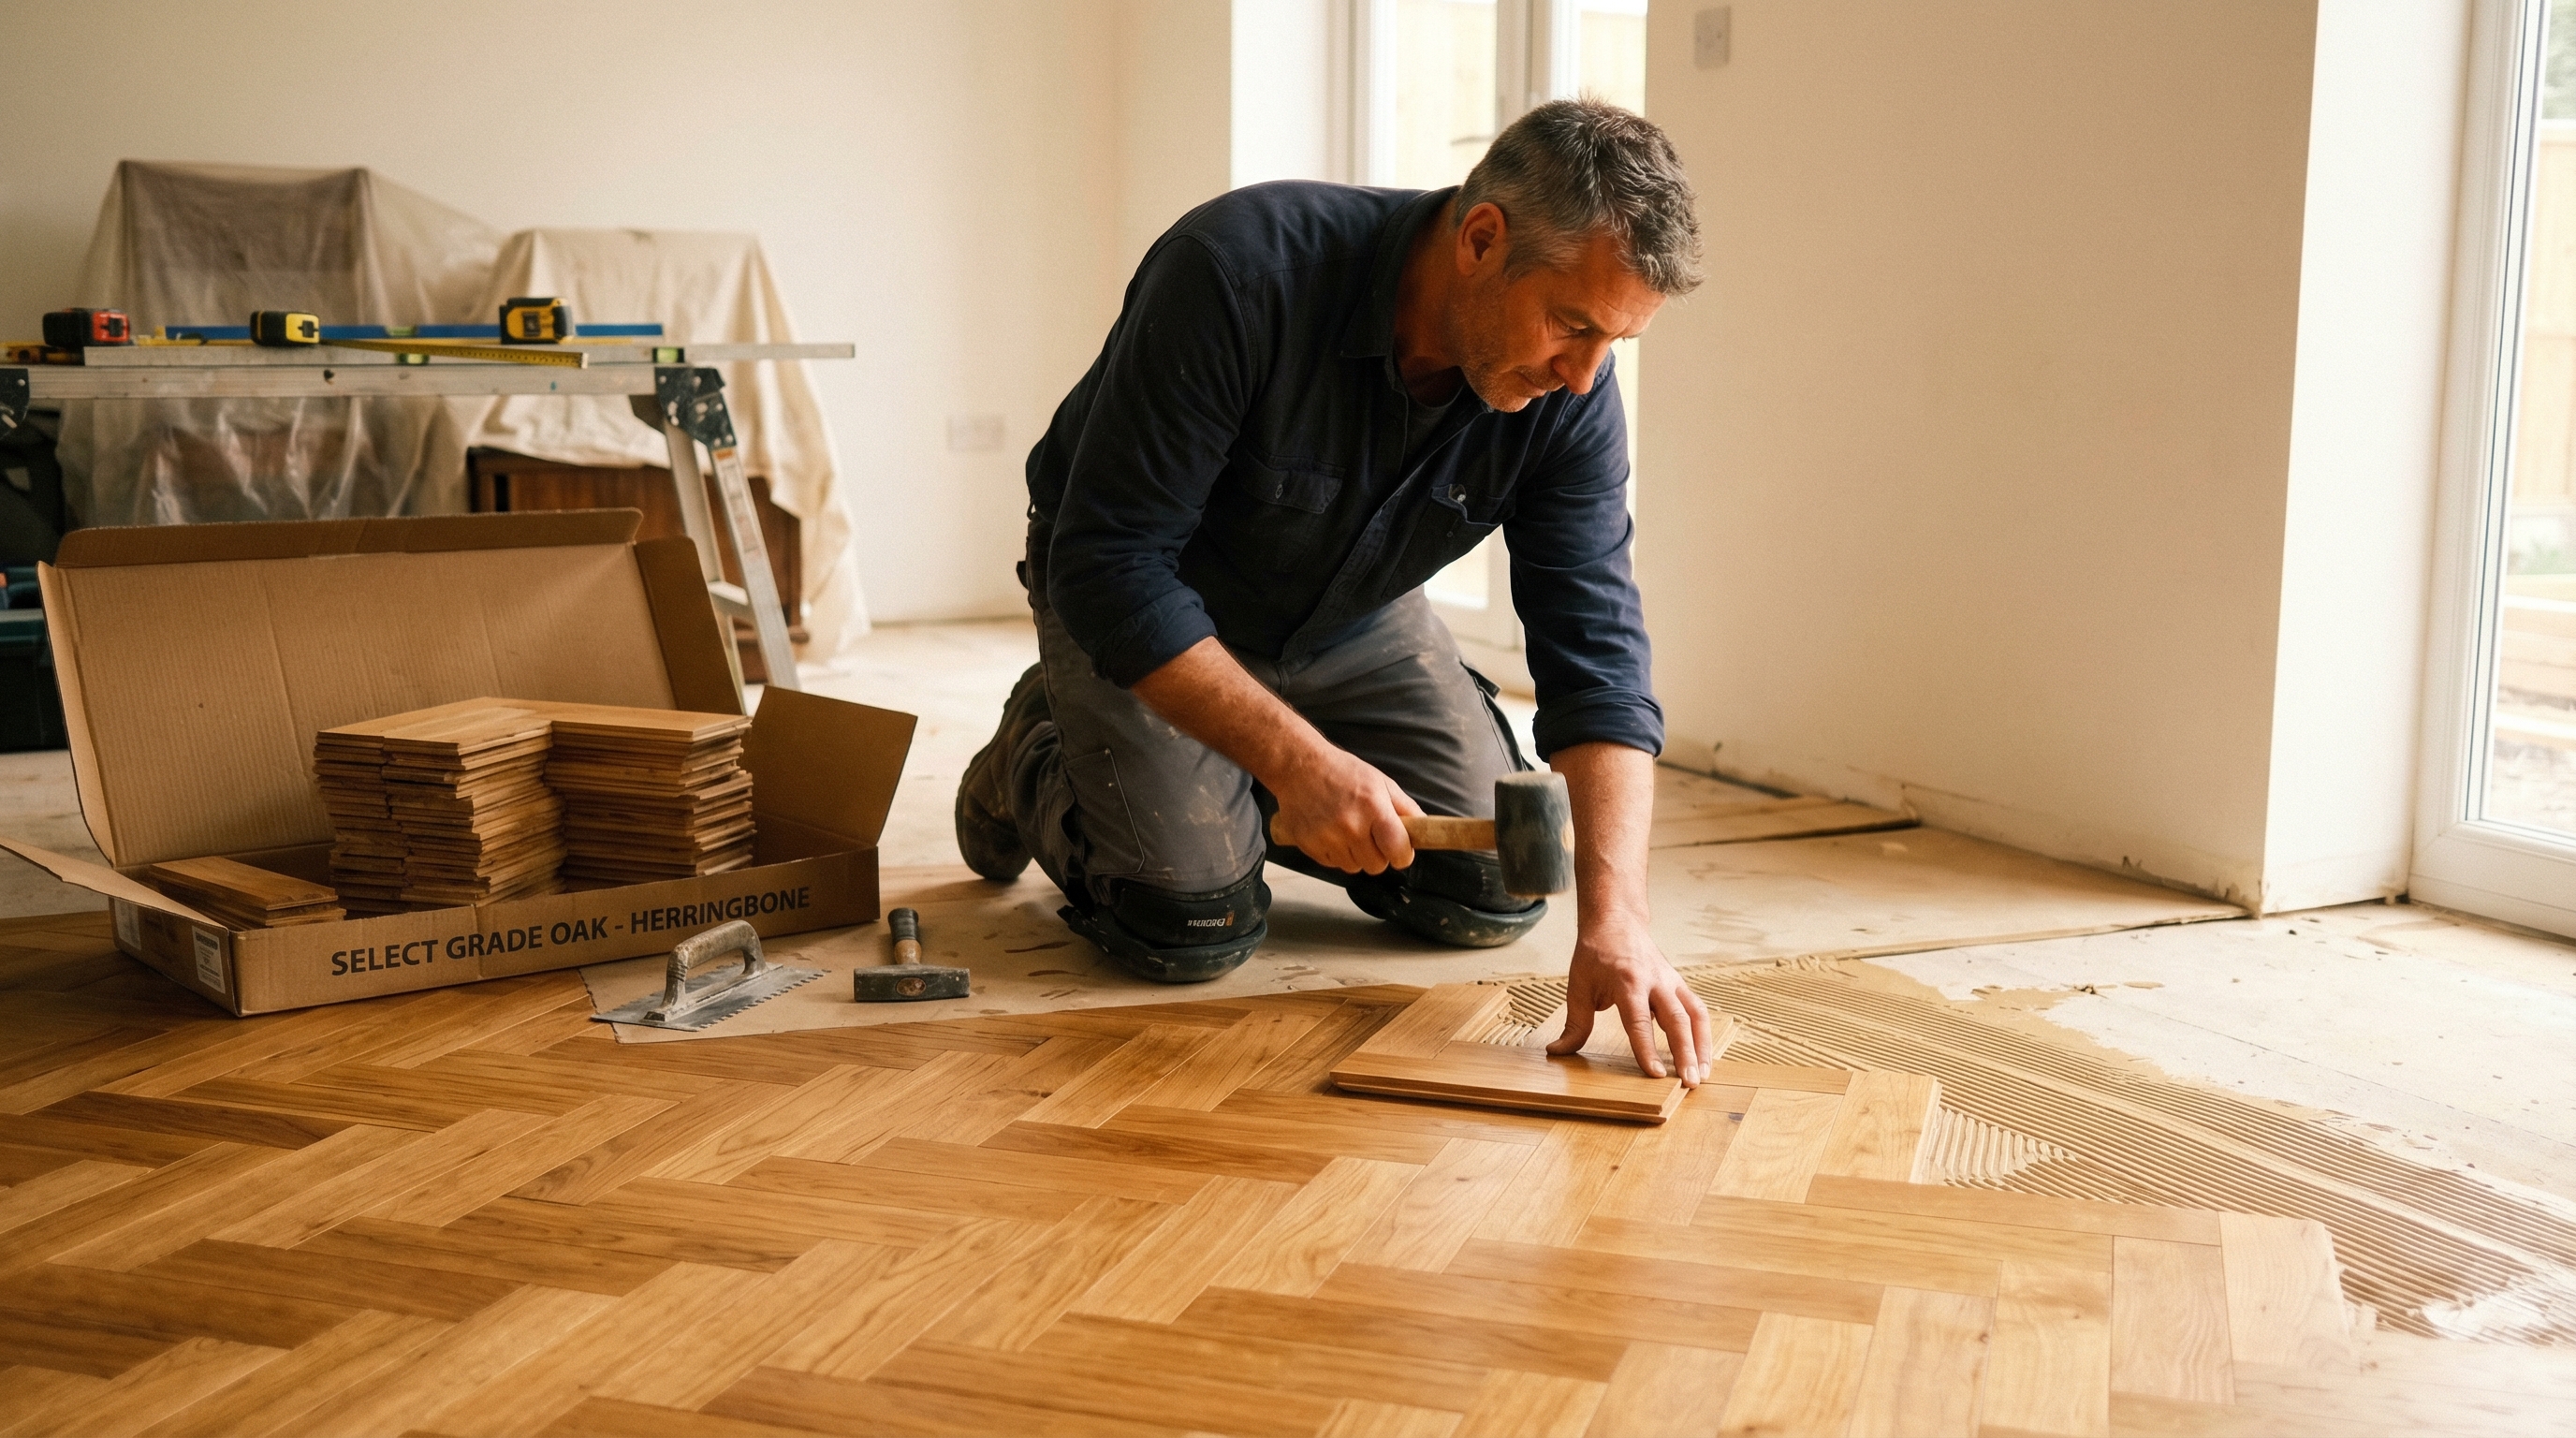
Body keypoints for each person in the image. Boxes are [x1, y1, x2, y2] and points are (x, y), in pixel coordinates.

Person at [956, 97, 1715, 1083]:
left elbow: (1596, 651)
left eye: (1613, 343)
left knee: (1490, 889)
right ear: (1482, 239)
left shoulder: (1568, 397)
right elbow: (1111, 567)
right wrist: (1302, 767)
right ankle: (1040, 743)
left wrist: (1619, 924)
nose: (1583, 376)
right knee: (1191, 922)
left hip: (1352, 612)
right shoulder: (1236, 273)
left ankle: (1214, 785)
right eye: (1572, 326)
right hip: (1145, 600)